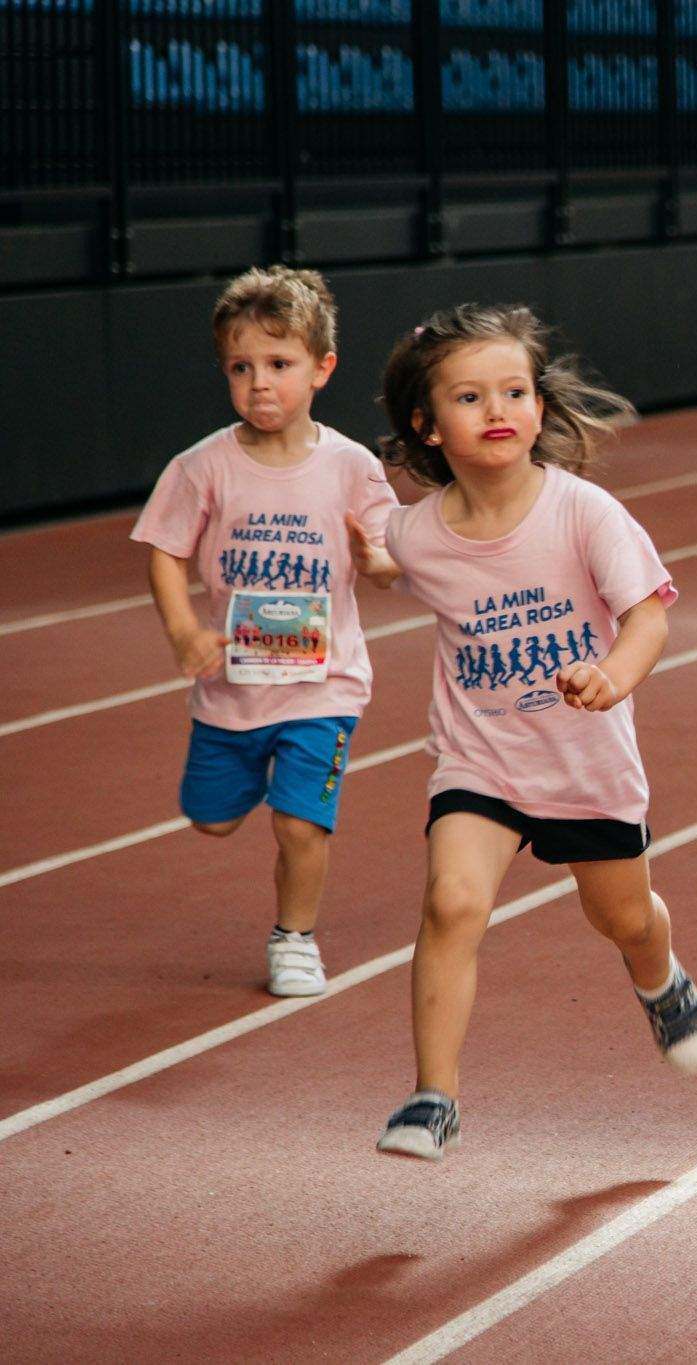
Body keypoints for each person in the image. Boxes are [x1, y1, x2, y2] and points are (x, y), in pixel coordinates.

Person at [351, 304, 697, 1161]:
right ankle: (433, 1095)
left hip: (585, 765)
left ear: (541, 408)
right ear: (425, 425)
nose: (497, 409)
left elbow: (647, 619)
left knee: (620, 917)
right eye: (470, 397)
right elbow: (386, 555)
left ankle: (659, 980)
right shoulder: (419, 532)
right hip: (480, 760)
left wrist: (611, 676)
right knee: (451, 903)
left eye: (514, 390)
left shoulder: (584, 512)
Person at [131, 265, 397, 997]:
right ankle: (247, 782)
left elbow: (386, 558)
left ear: (321, 368)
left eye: (279, 365)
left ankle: (295, 938)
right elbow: (163, 549)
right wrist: (185, 630)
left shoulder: (351, 467)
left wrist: (378, 559)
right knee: (211, 819)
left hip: (325, 683)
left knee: (300, 824)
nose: (260, 384)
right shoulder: (203, 467)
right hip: (232, 684)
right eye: (241, 368)